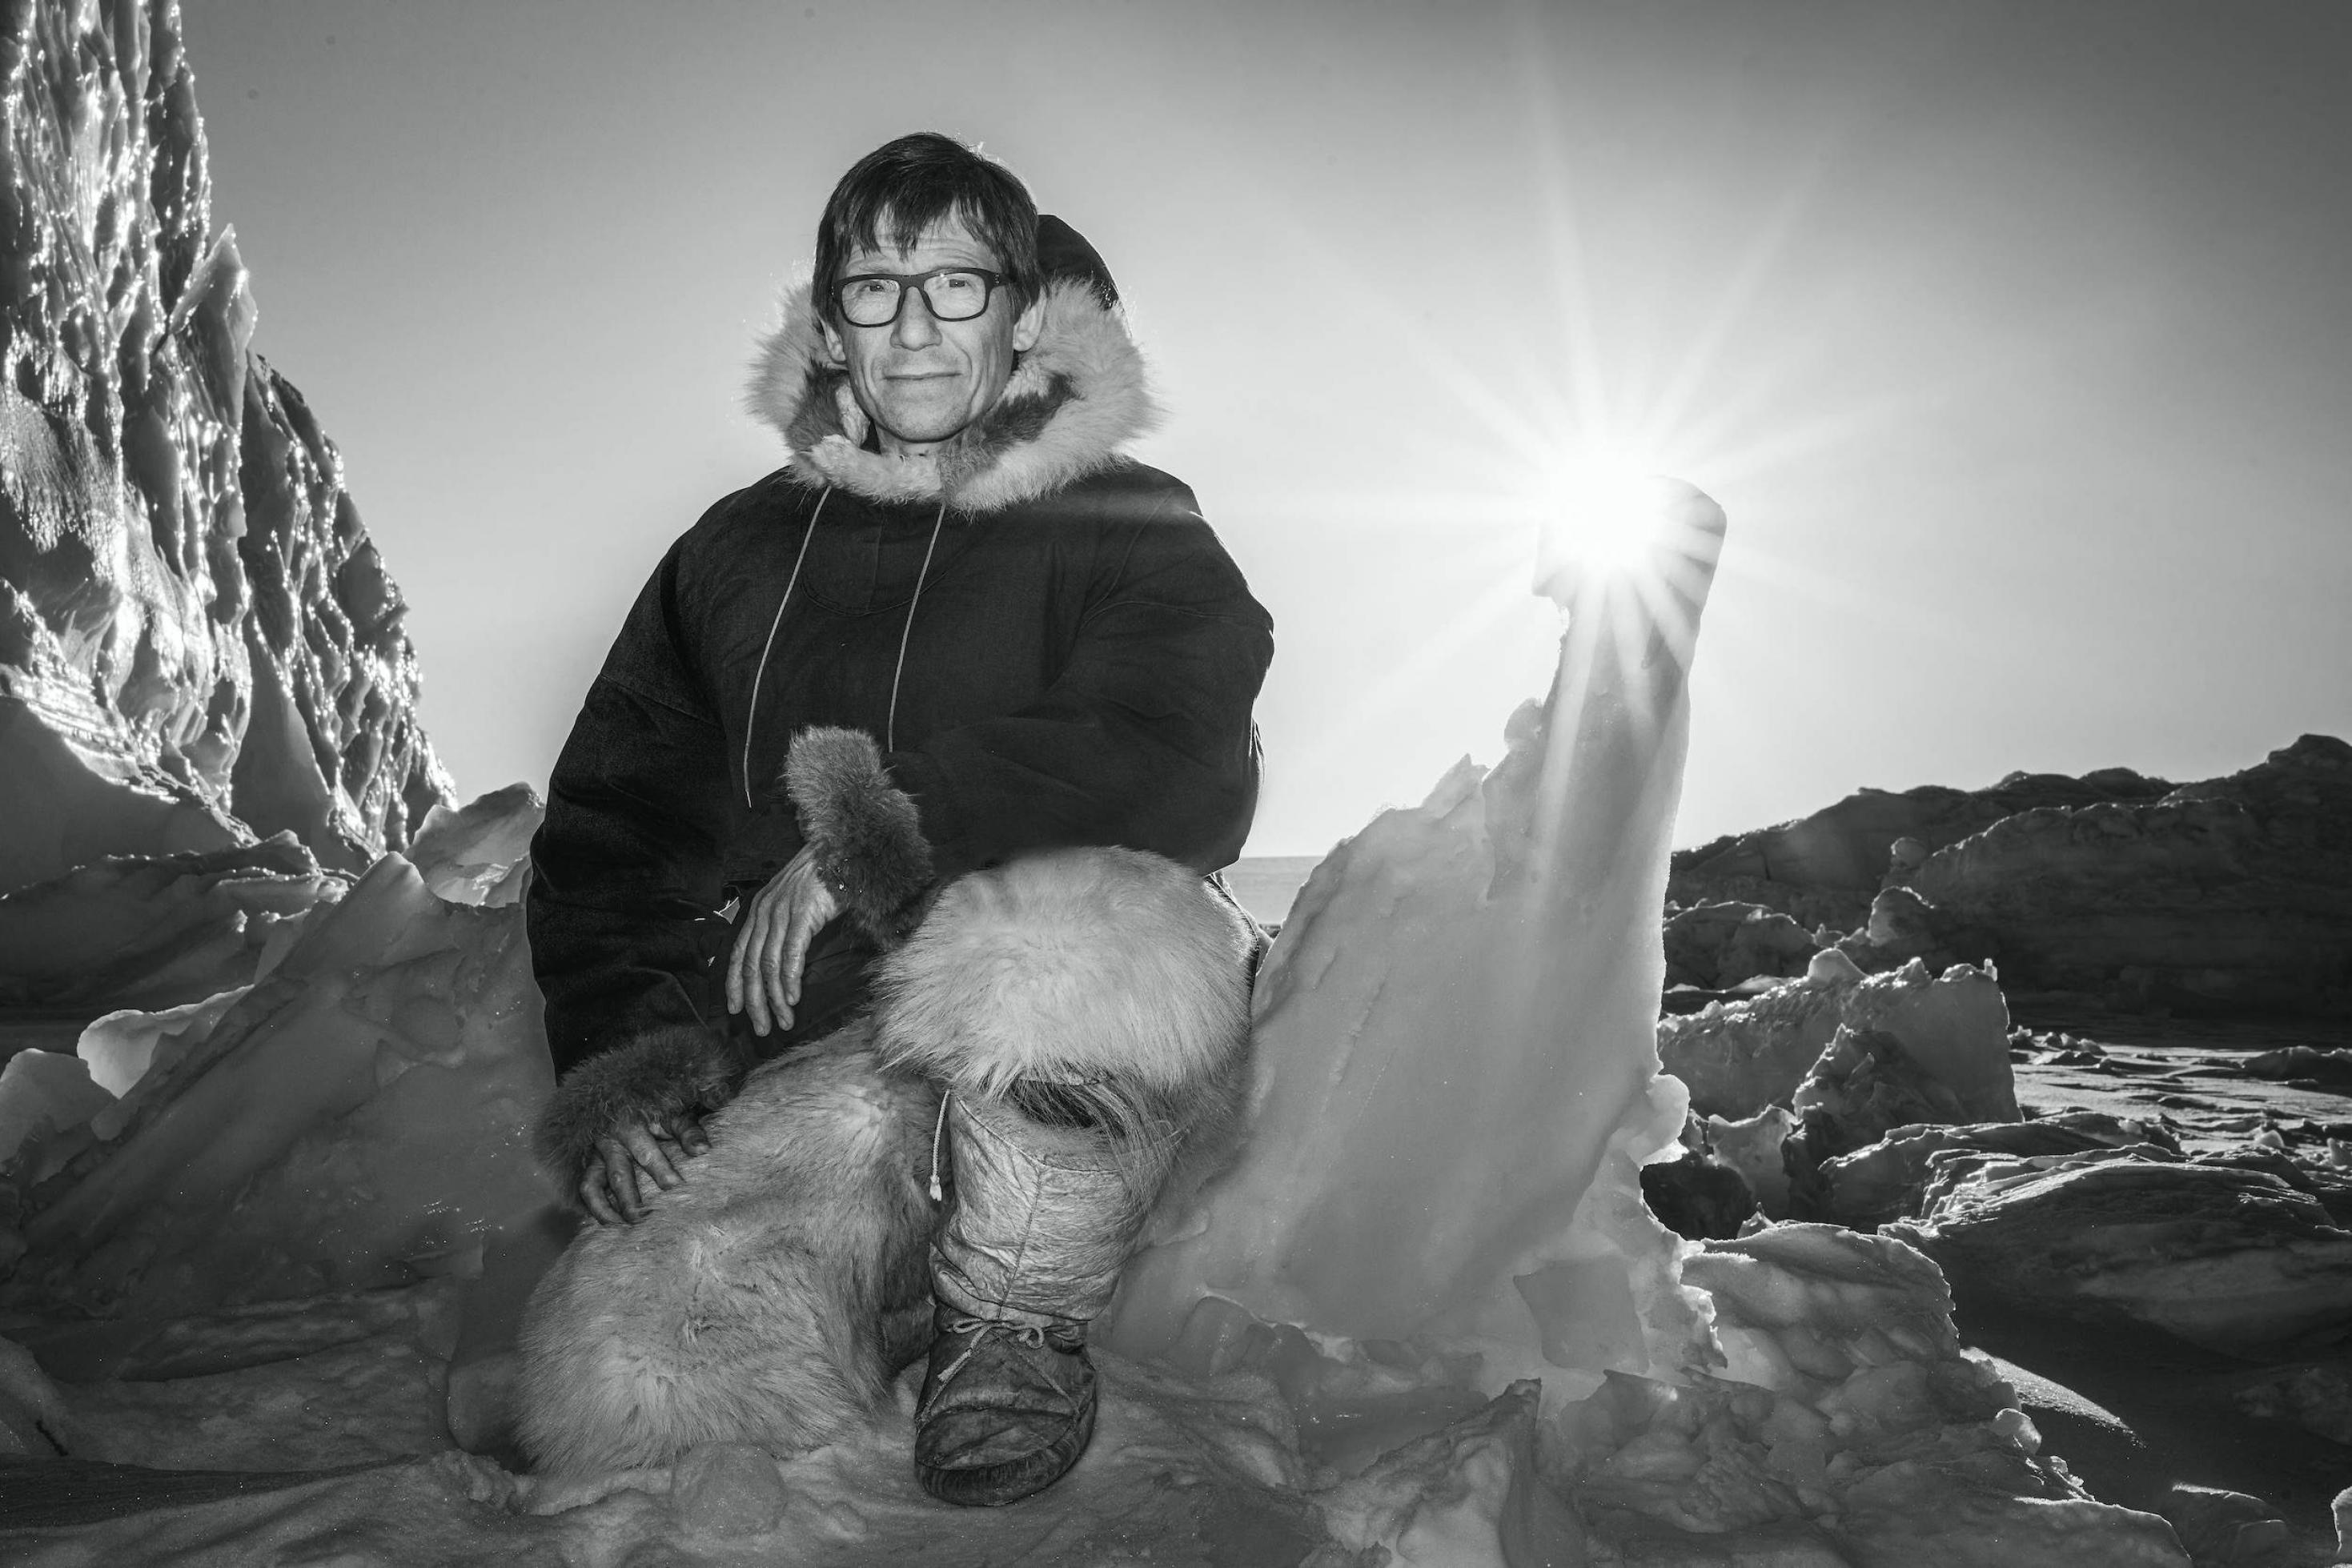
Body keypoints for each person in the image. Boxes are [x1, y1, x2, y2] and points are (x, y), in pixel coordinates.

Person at [521, 131, 1274, 1505]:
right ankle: (885, 1305)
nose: (916, 330)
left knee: (1061, 934)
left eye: (959, 286)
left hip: (1076, 1050)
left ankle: (1014, 1322)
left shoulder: (1126, 515)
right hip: (826, 1078)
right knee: (629, 1379)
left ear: (1023, 311)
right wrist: (629, 1070)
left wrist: (880, 825)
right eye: (875, 290)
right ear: (829, 318)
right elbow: (613, 832)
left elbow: (1181, 746)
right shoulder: (731, 553)